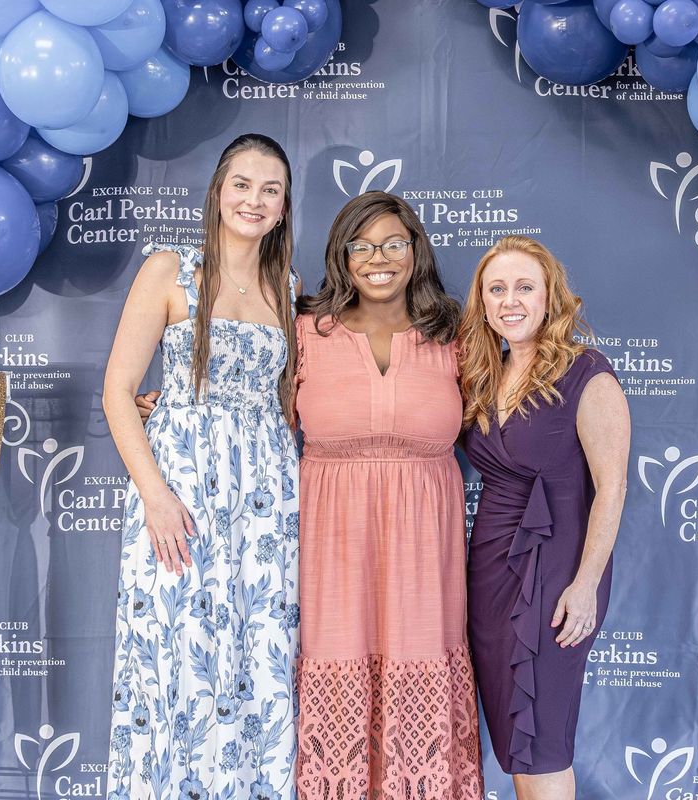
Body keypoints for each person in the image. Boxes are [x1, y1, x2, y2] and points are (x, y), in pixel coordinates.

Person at [102, 133, 301, 800]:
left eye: (270, 190)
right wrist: (155, 497)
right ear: (218, 191)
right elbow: (117, 392)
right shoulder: (170, 270)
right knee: (175, 659)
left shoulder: (289, 287)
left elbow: (285, 404)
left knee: (257, 664)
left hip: (268, 505)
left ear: (284, 206)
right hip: (180, 494)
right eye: (242, 184)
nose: (254, 200)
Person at [293, 192, 484, 800]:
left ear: (415, 251)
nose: (379, 258)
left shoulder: (455, 335)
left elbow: (507, 419)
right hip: (333, 552)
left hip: (424, 556)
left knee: (421, 668)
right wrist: (178, 411)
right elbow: (248, 411)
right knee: (336, 667)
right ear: (342, 255)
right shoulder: (304, 332)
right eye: (363, 246)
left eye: (393, 243)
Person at [458, 236, 630, 800]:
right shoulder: (482, 374)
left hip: (558, 572)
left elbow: (612, 487)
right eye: (496, 289)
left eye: (524, 287)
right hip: (490, 572)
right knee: (515, 742)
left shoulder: (587, 373)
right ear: (483, 302)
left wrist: (586, 585)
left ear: (549, 296)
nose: (510, 300)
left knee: (543, 742)